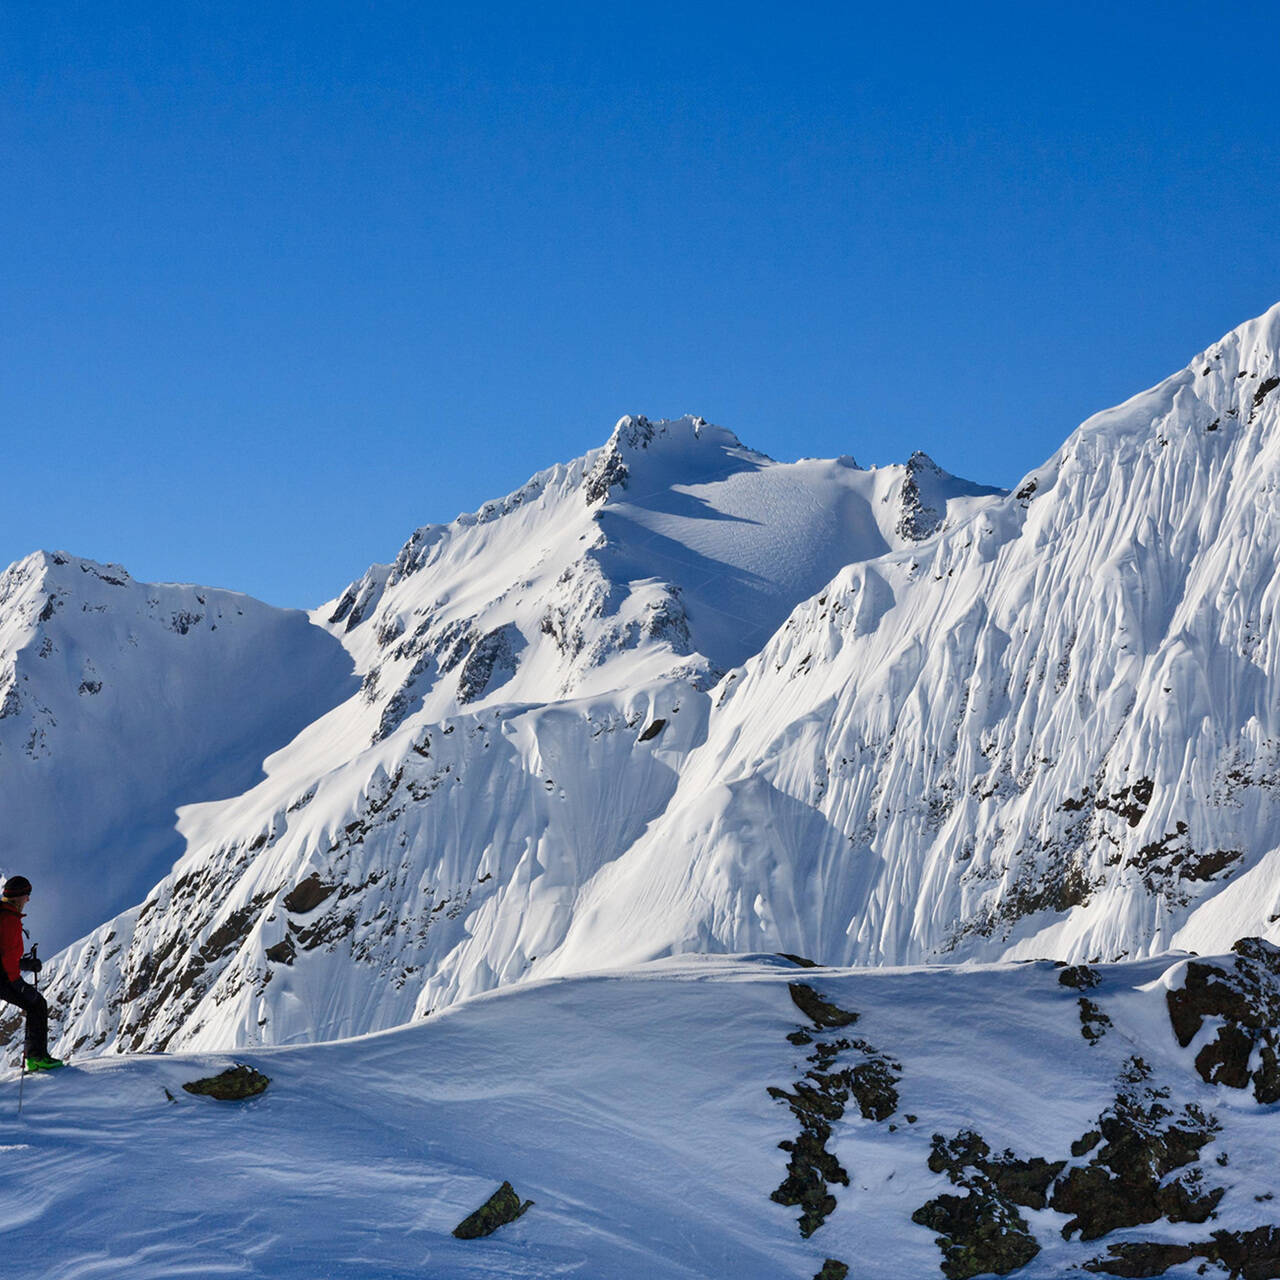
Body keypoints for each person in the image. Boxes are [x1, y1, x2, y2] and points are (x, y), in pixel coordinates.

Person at [0, 876, 64, 1071]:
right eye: (27, 895)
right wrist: (17, 982)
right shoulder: (9, 920)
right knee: (37, 1004)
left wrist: (26, 964)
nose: (28, 899)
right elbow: (7, 956)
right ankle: (36, 1058)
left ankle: (35, 1057)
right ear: (18, 896)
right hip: (4, 979)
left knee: (34, 1003)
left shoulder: (4, 915)